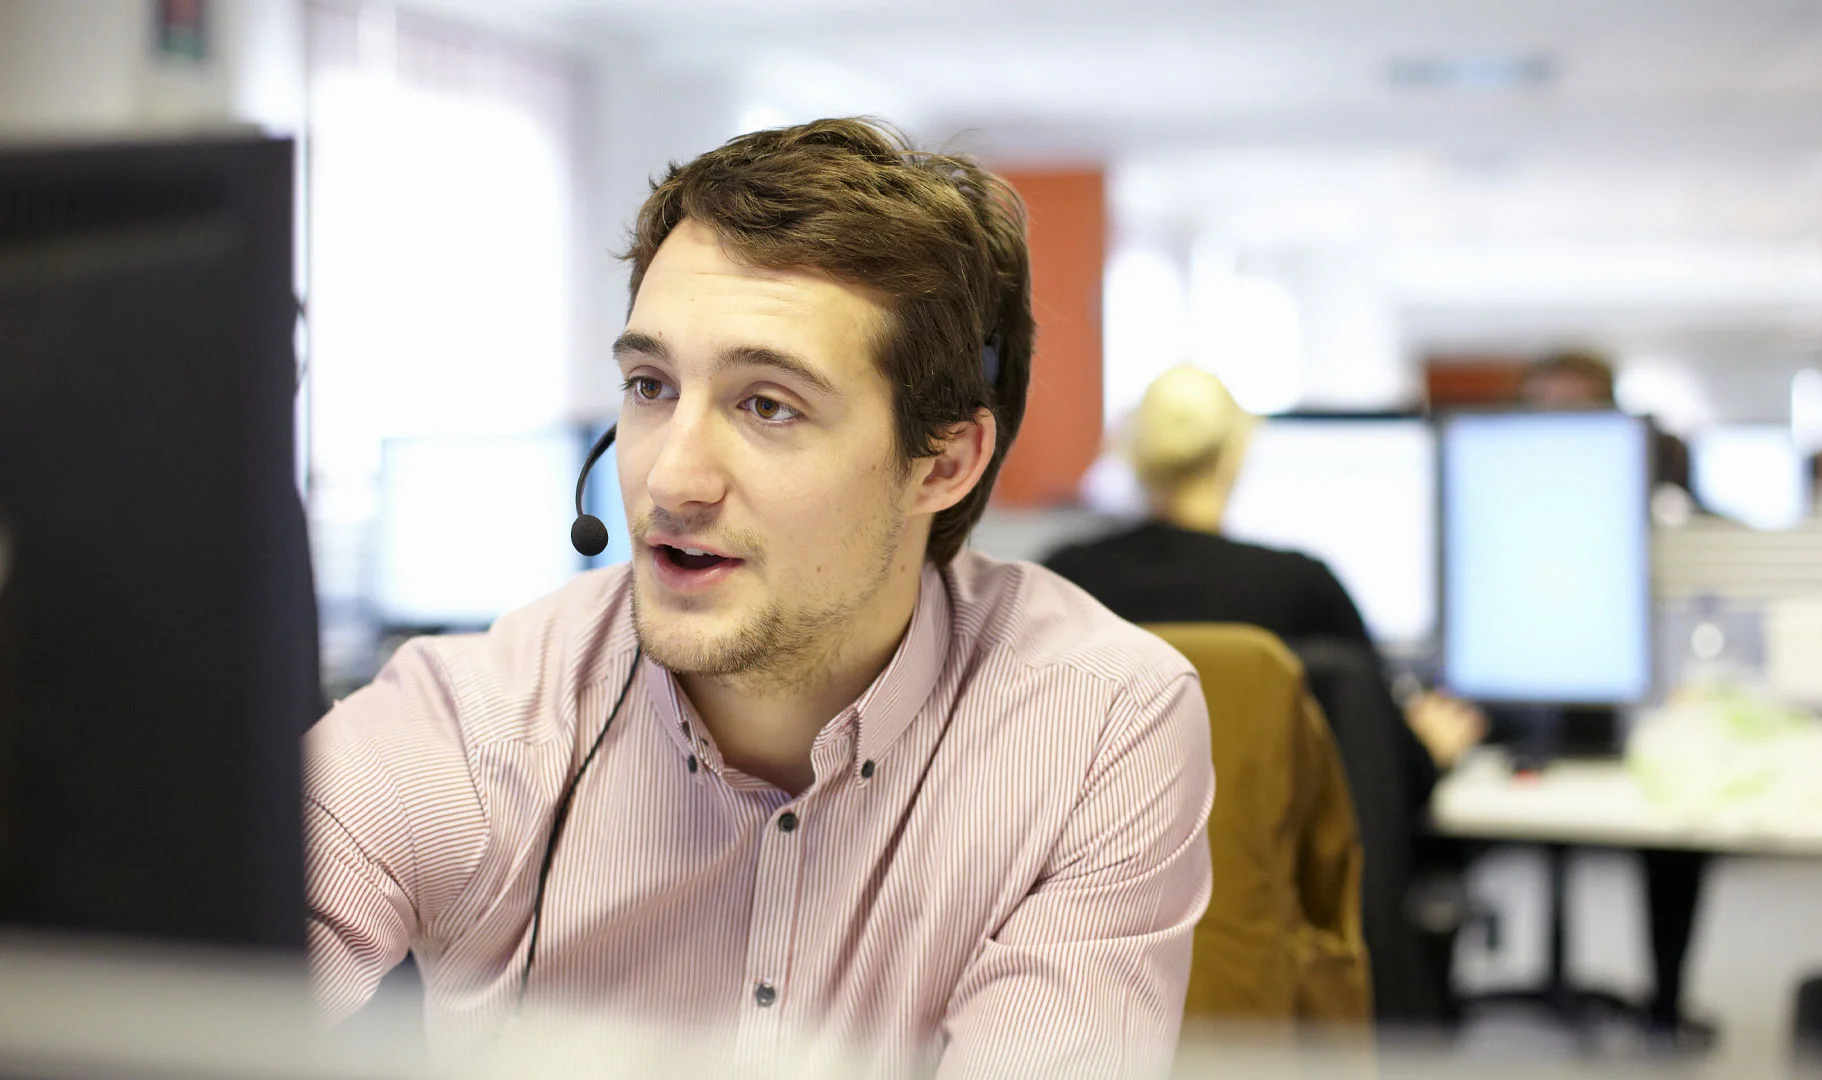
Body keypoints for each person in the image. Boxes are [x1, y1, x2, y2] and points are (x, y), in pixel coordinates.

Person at [304, 119, 1214, 1077]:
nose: (671, 479)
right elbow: (163, 982)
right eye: (651, 386)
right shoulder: (480, 722)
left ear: (942, 462)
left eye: (767, 404)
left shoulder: (1095, 725)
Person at [1042, 365, 1484, 1024]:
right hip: (1270, 950)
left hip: (1094, 952)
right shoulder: (1302, 588)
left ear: (1134, 456)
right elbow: (1383, 779)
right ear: (1237, 455)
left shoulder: (1065, 581)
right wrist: (1430, 747)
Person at [1517, 349, 1712, 1047]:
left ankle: (1665, 1006)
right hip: (1518, 708)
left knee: (1677, 828)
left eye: (1582, 410)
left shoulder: (1658, 499)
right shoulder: (1503, 505)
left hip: (1639, 707)